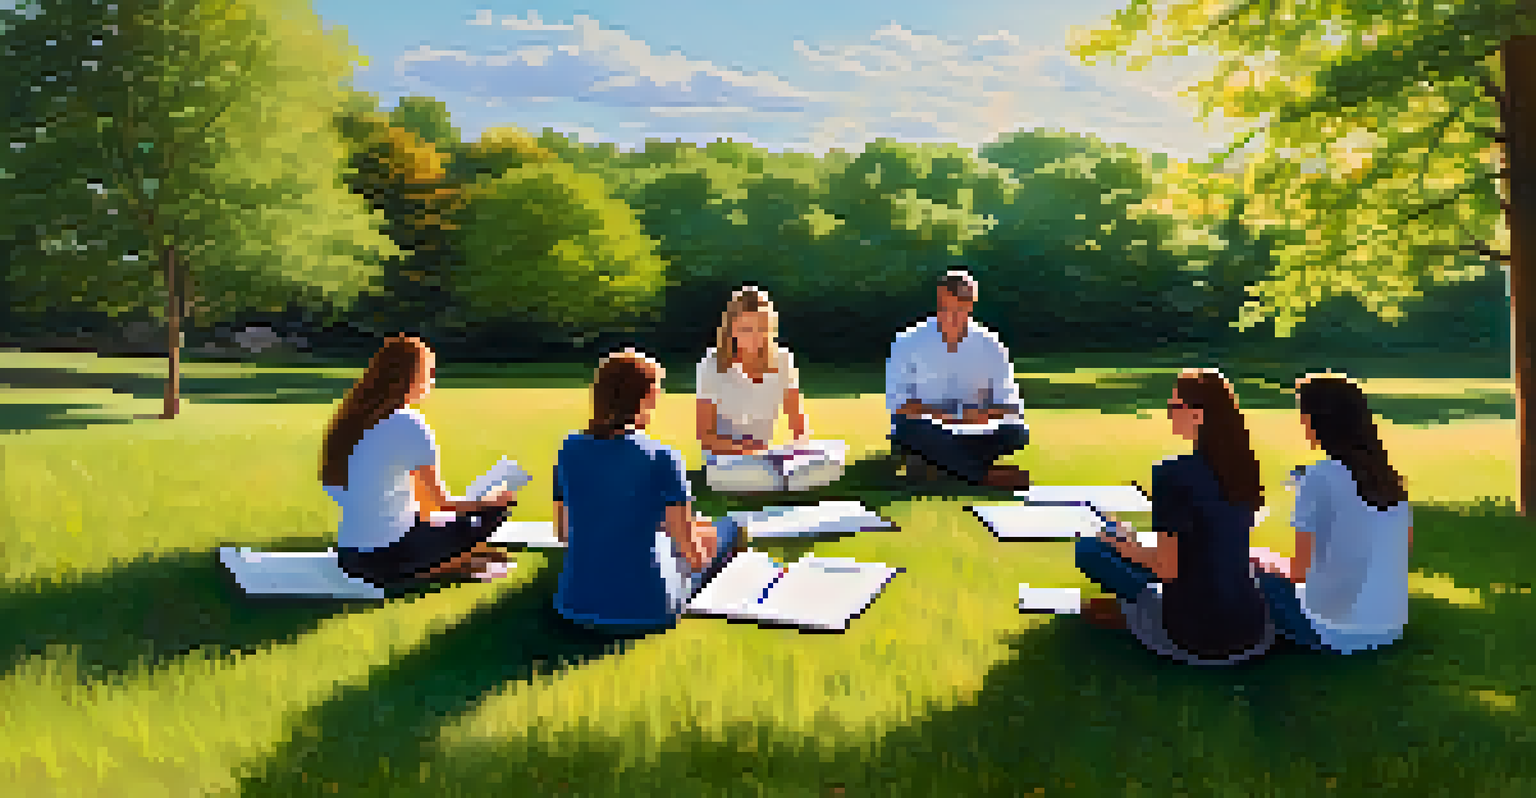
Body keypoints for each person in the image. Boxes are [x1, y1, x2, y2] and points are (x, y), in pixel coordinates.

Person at [1075, 369, 1274, 665]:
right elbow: (1212, 539)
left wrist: (1121, 544)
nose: (1169, 414)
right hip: (1252, 629)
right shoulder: (1244, 467)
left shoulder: (1171, 473)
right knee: (1136, 551)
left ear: (1198, 415)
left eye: (1174, 406)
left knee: (1089, 548)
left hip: (1195, 635)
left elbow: (1166, 568)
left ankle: (1131, 613)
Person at [553, 348, 748, 634]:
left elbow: (564, 533)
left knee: (684, 535)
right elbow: (693, 557)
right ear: (644, 400)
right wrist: (700, 539)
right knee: (730, 528)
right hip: (650, 608)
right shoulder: (663, 457)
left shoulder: (568, 450)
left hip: (574, 605)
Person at [320, 335, 518, 588]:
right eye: (429, 373)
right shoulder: (409, 423)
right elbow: (440, 504)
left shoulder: (350, 422)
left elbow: (423, 507)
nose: (432, 381)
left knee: (441, 522)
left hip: (349, 556)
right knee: (496, 509)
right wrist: (490, 501)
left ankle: (452, 562)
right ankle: (444, 566)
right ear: (413, 377)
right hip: (387, 557)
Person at [1248, 374, 1413, 654]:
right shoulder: (1389, 480)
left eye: (1303, 413)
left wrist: (1265, 564)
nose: (1301, 422)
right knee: (1263, 560)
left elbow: (1299, 572)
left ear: (1318, 421)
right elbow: (1402, 549)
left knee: (1244, 567)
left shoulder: (1318, 476)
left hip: (1332, 631)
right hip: (1390, 627)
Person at [885, 269, 1030, 489]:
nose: (957, 307)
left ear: (973, 301)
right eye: (951, 299)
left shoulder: (991, 344)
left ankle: (937, 466)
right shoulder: (908, 341)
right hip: (928, 425)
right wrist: (951, 417)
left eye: (964, 300)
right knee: (909, 430)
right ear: (940, 299)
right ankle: (982, 475)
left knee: (1017, 432)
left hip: (976, 428)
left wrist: (982, 415)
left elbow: (1011, 406)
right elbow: (899, 405)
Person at [696, 286, 847, 493]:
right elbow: (706, 437)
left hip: (765, 456)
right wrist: (749, 449)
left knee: (830, 456)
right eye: (746, 329)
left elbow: (797, 423)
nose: (755, 337)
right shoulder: (712, 364)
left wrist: (801, 449)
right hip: (725, 458)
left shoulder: (782, 359)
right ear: (731, 329)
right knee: (763, 477)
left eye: (761, 328)